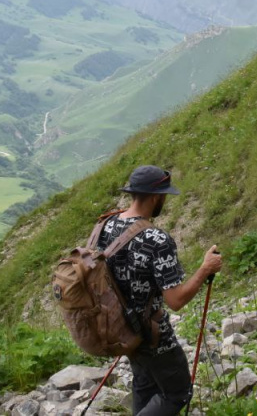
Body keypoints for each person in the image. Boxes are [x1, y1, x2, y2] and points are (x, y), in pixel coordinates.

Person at [97, 165, 223, 415]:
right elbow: (175, 300)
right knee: (178, 393)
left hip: (121, 327)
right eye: (165, 195)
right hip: (152, 334)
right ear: (156, 197)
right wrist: (205, 269)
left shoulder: (106, 225)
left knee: (146, 385)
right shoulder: (157, 240)